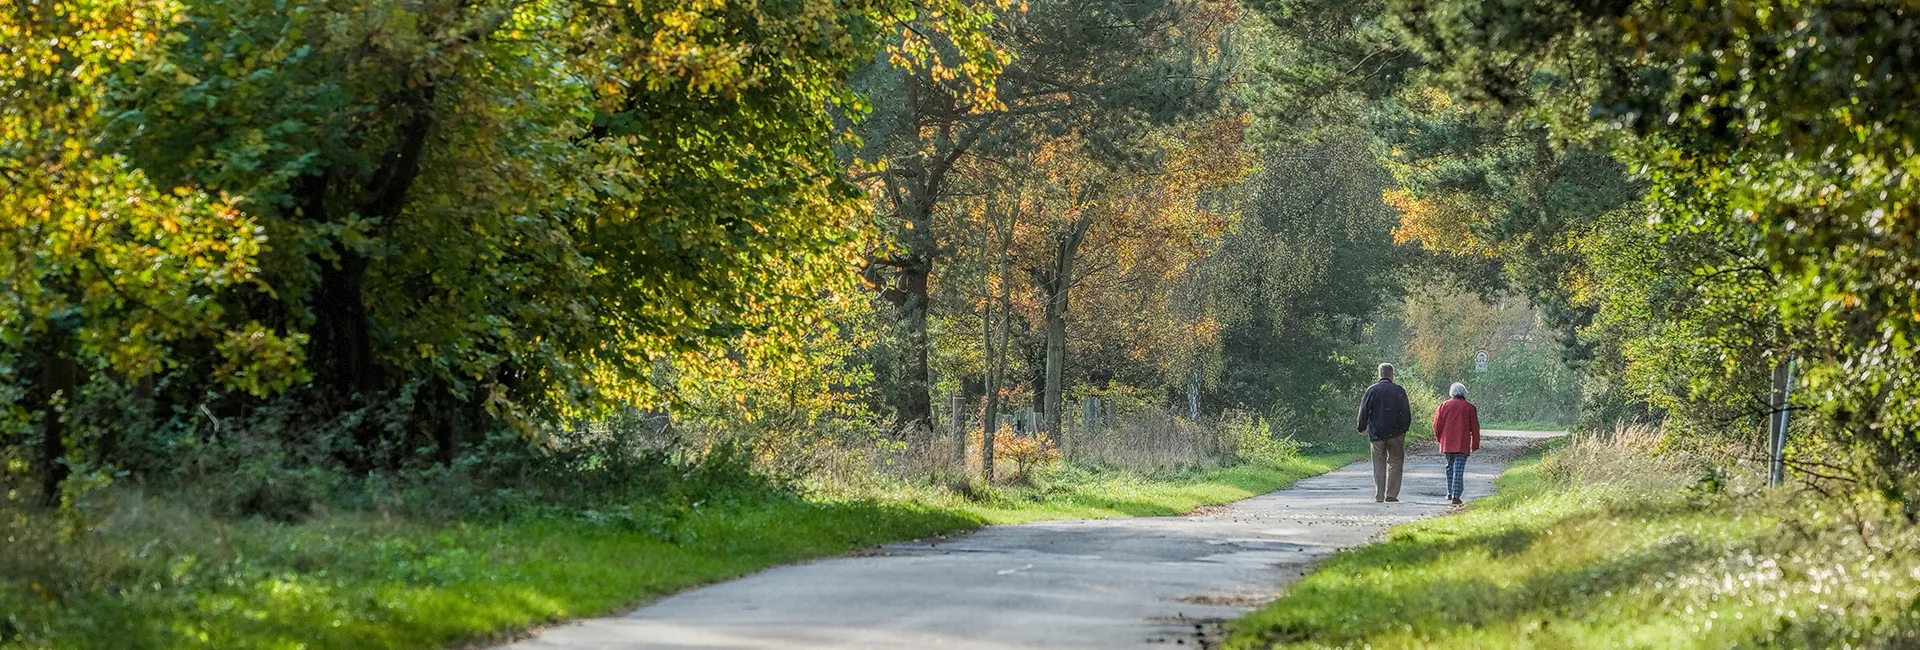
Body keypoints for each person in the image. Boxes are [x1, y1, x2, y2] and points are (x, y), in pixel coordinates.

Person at [1356, 363, 1412, 503]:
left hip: (1376, 433)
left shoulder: (1372, 390)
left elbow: (1363, 410)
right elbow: (1406, 413)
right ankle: (1391, 495)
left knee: (1378, 463)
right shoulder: (1399, 390)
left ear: (1379, 374)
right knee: (1395, 463)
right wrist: (1404, 429)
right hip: (1396, 433)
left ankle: (1379, 495)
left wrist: (1361, 427)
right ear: (1391, 374)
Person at [1433, 382, 1481, 505]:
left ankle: (1450, 492)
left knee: (1450, 467)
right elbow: (1475, 427)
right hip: (1462, 443)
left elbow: (1437, 425)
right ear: (1463, 392)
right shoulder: (1470, 407)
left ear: (1451, 393)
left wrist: (1440, 438)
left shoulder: (1444, 406)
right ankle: (1456, 495)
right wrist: (1475, 443)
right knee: (1458, 469)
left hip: (1447, 443)